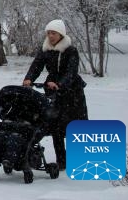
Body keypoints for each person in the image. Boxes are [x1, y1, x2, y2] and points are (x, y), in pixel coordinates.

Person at [23, 19, 88, 170]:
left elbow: (71, 72)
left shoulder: (70, 50)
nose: (51, 36)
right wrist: (29, 79)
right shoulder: (45, 49)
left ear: (61, 34)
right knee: (56, 126)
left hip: (72, 93)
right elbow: (36, 65)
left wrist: (60, 84)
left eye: (54, 33)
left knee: (76, 126)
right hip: (53, 92)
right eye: (49, 33)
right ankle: (62, 161)